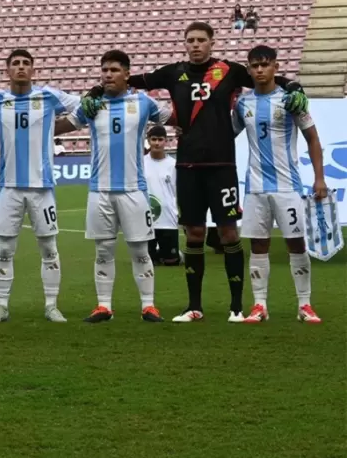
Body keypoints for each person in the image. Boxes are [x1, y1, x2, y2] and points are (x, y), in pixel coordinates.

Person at [78, 22, 308, 323]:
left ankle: (237, 307)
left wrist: (294, 86)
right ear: (184, 43)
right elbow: (126, 79)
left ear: (212, 42)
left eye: (201, 40)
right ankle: (194, 306)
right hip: (186, 165)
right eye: (190, 40)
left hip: (222, 165)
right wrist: (96, 89)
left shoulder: (230, 70)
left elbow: (265, 77)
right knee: (194, 233)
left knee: (228, 233)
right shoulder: (172, 72)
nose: (196, 45)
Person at [58, 50, 169, 323]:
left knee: (140, 250)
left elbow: (174, 117)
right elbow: (62, 126)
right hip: (100, 190)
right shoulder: (92, 105)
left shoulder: (143, 103)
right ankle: (104, 306)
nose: (108, 74)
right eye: (104, 70)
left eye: (114, 70)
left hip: (134, 190)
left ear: (127, 74)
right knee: (103, 251)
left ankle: (148, 306)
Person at [0, 49, 80, 324]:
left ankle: (51, 305)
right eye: (15, 64)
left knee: (49, 248)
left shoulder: (49, 96)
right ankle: (1, 307)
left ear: (33, 69)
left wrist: (54, 127)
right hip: (8, 187)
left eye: (26, 64)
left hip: (42, 187)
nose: (21, 68)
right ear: (7, 70)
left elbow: (84, 107)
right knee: (5, 249)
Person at [233, 46, 325, 324]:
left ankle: (305, 304)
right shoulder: (242, 104)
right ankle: (260, 305)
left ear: (276, 66)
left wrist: (319, 178)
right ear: (248, 70)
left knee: (296, 243)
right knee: (258, 245)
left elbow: (312, 139)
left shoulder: (292, 99)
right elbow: (225, 135)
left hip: (287, 186)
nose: (260, 70)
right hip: (255, 188)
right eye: (254, 65)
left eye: (265, 64)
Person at [143, 125, 181, 266]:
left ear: (166, 141)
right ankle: (157, 250)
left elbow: (178, 192)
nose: (157, 143)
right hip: (146, 220)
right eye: (153, 139)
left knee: (171, 262)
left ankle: (172, 252)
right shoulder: (141, 163)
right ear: (148, 140)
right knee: (147, 262)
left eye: (160, 139)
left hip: (168, 219)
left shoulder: (173, 165)